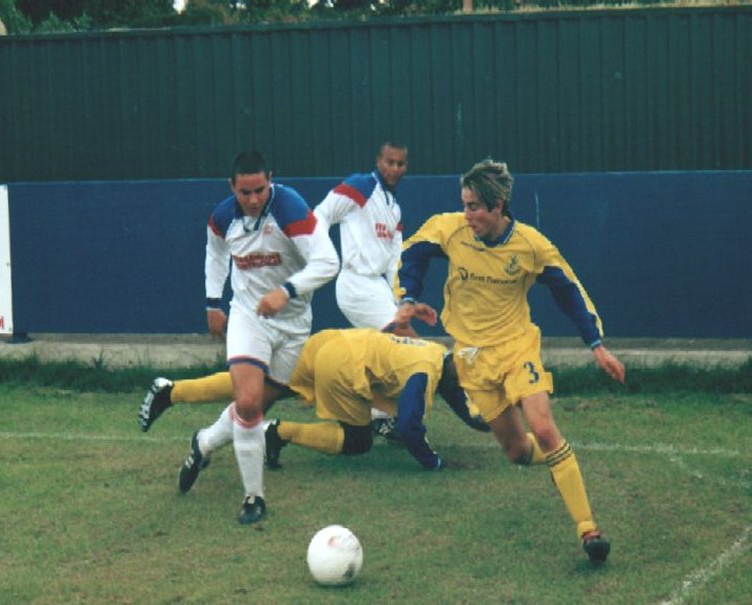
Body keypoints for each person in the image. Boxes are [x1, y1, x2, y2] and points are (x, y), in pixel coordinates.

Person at [394, 158, 626, 565]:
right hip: (472, 358)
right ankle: (559, 459)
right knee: (518, 452)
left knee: (544, 428)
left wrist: (596, 344)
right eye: (464, 205)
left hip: (518, 349)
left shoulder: (531, 245)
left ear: (497, 206)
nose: (467, 215)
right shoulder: (449, 229)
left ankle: (588, 529)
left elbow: (568, 289)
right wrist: (408, 300)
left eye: (474, 208)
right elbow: (411, 253)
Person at [138, 142, 413, 441]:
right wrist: (214, 302)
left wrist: (400, 296)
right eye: (390, 162)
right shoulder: (359, 186)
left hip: (304, 313)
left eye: (401, 163)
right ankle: (388, 416)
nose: (395, 169)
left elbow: (384, 258)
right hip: (335, 292)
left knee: (265, 390)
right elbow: (320, 218)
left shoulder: (391, 206)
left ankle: (179, 403)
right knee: (402, 346)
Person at [176, 149, 339, 525]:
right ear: (231, 187)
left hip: (295, 324)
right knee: (247, 403)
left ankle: (203, 444)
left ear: (271, 180)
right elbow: (215, 256)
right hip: (248, 317)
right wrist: (213, 303)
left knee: (255, 410)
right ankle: (254, 497)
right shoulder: (221, 218)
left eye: (260, 190)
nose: (252, 200)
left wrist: (287, 291)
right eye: (244, 192)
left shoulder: (291, 208)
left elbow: (329, 262)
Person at [263, 328, 490, 470]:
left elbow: (460, 402)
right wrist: (434, 462)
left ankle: (247, 404)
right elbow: (408, 426)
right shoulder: (424, 372)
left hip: (339, 341)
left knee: (266, 386)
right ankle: (278, 433)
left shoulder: (439, 354)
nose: (464, 386)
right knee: (358, 442)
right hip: (343, 365)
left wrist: (502, 424)